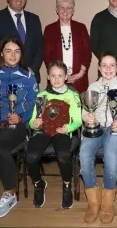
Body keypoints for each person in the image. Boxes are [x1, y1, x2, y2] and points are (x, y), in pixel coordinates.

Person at [0, 37, 38, 219]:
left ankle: (10, 194)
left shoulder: (28, 75)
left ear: (21, 54)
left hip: (15, 124)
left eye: (17, 51)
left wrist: (20, 116)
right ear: (1, 53)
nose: (13, 55)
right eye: (9, 51)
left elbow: (32, 102)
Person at [79, 51, 117, 224]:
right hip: (96, 129)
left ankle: (108, 202)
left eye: (112, 65)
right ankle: (94, 202)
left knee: (110, 154)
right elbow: (85, 109)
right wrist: (87, 117)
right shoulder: (93, 87)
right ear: (99, 67)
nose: (108, 69)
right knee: (84, 153)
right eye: (104, 65)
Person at [26, 60, 82, 209]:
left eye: (60, 75)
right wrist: (34, 124)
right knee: (31, 156)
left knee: (64, 156)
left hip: (61, 131)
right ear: (48, 77)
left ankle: (67, 185)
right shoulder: (42, 95)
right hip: (43, 131)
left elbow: (78, 120)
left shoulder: (73, 95)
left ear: (66, 77)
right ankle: (39, 184)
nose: (57, 79)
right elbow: (32, 121)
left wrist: (69, 128)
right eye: (53, 75)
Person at [0, 0, 44, 84]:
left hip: (31, 76)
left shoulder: (34, 19)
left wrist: (31, 69)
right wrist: (11, 71)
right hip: (7, 77)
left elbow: (40, 47)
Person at [44, 0, 92, 93]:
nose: (65, 11)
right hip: (57, 80)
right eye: (62, 8)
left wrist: (80, 74)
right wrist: (59, 75)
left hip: (79, 79)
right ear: (57, 9)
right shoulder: (49, 29)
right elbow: (47, 56)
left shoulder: (81, 28)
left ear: (73, 10)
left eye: (69, 8)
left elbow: (87, 53)